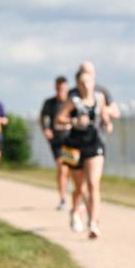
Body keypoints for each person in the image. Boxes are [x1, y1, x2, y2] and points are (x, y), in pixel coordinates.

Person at [56, 67, 112, 238]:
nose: (86, 85)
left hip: (94, 144)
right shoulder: (73, 101)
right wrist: (74, 120)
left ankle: (93, 223)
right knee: (80, 188)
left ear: (93, 82)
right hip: (74, 145)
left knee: (94, 184)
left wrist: (108, 123)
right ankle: (74, 211)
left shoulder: (100, 98)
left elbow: (104, 115)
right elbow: (59, 118)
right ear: (78, 85)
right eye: (83, 82)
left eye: (89, 81)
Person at [40, 75, 72, 210]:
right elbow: (42, 118)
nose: (61, 91)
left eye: (63, 88)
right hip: (57, 141)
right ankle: (63, 198)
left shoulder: (72, 102)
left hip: (71, 140)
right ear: (56, 88)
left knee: (70, 169)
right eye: (59, 89)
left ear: (67, 88)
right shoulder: (49, 103)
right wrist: (46, 129)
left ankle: (66, 185)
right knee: (62, 167)